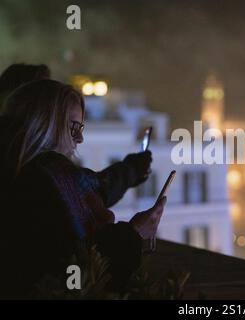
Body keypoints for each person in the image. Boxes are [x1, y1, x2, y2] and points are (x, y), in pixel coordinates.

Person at [0, 79, 166, 298]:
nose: (80, 138)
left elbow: (99, 186)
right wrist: (134, 233)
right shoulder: (48, 182)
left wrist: (132, 169)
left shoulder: (21, 171)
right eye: (73, 127)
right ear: (45, 124)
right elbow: (73, 275)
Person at [0, 63, 151, 209]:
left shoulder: (25, 170)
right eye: (45, 91)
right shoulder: (45, 180)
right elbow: (89, 194)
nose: (79, 139)